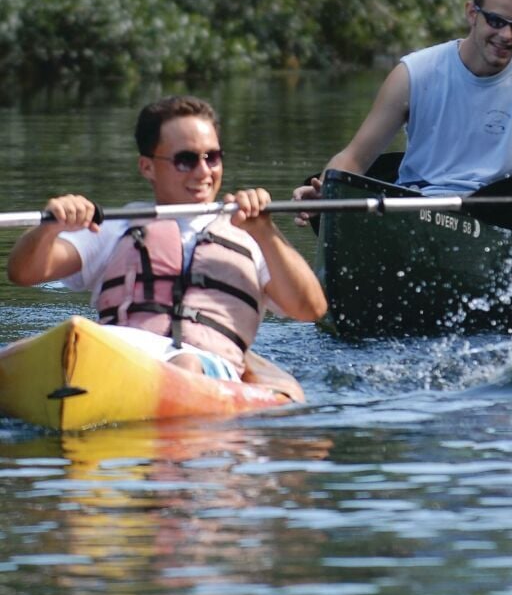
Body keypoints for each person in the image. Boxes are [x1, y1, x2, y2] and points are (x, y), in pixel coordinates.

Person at [8, 95, 327, 388]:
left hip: (206, 367)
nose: (203, 172)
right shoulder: (115, 227)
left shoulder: (251, 232)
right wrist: (48, 228)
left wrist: (266, 232)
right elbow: (24, 273)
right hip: (118, 353)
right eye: (186, 160)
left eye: (212, 157)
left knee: (184, 362)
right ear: (147, 167)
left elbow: (310, 309)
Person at [295, 0, 512, 211]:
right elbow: (354, 157)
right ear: (472, 13)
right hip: (420, 206)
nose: (506, 35)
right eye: (496, 21)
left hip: (500, 215)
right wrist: (326, 191)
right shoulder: (413, 74)